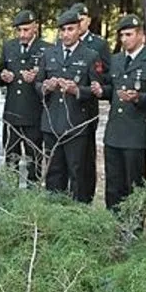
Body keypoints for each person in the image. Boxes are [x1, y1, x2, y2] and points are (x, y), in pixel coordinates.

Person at [101, 14, 146, 211]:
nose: (124, 39)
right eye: (122, 35)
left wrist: (139, 98)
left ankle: (134, 226)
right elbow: (112, 90)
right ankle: (113, 221)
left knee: (134, 183)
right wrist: (100, 91)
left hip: (135, 132)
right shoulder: (116, 60)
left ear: (142, 36)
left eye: (129, 34)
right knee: (113, 183)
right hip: (114, 131)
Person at [37, 10, 103, 202]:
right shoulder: (49, 54)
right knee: (54, 174)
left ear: (78, 30)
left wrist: (77, 91)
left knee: (78, 174)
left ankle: (78, 216)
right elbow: (37, 84)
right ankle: (54, 215)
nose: (66, 34)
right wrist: (46, 87)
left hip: (76, 124)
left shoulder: (91, 56)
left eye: (71, 29)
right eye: (63, 30)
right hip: (51, 124)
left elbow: (98, 90)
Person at [0, 10, 50, 183]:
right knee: (10, 158)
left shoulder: (46, 49)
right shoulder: (9, 47)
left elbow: (50, 80)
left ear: (35, 27)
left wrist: (37, 78)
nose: (22, 34)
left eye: (26, 30)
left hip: (34, 113)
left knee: (34, 158)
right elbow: (0, 71)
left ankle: (32, 193)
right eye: (19, 30)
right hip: (12, 112)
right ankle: (10, 192)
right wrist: (4, 76)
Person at [69, 2, 109, 201]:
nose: (78, 23)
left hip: (87, 108)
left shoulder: (98, 45)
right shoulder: (64, 43)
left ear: (88, 21)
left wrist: (97, 88)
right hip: (67, 109)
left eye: (81, 19)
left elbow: (106, 74)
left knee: (86, 156)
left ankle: (87, 194)